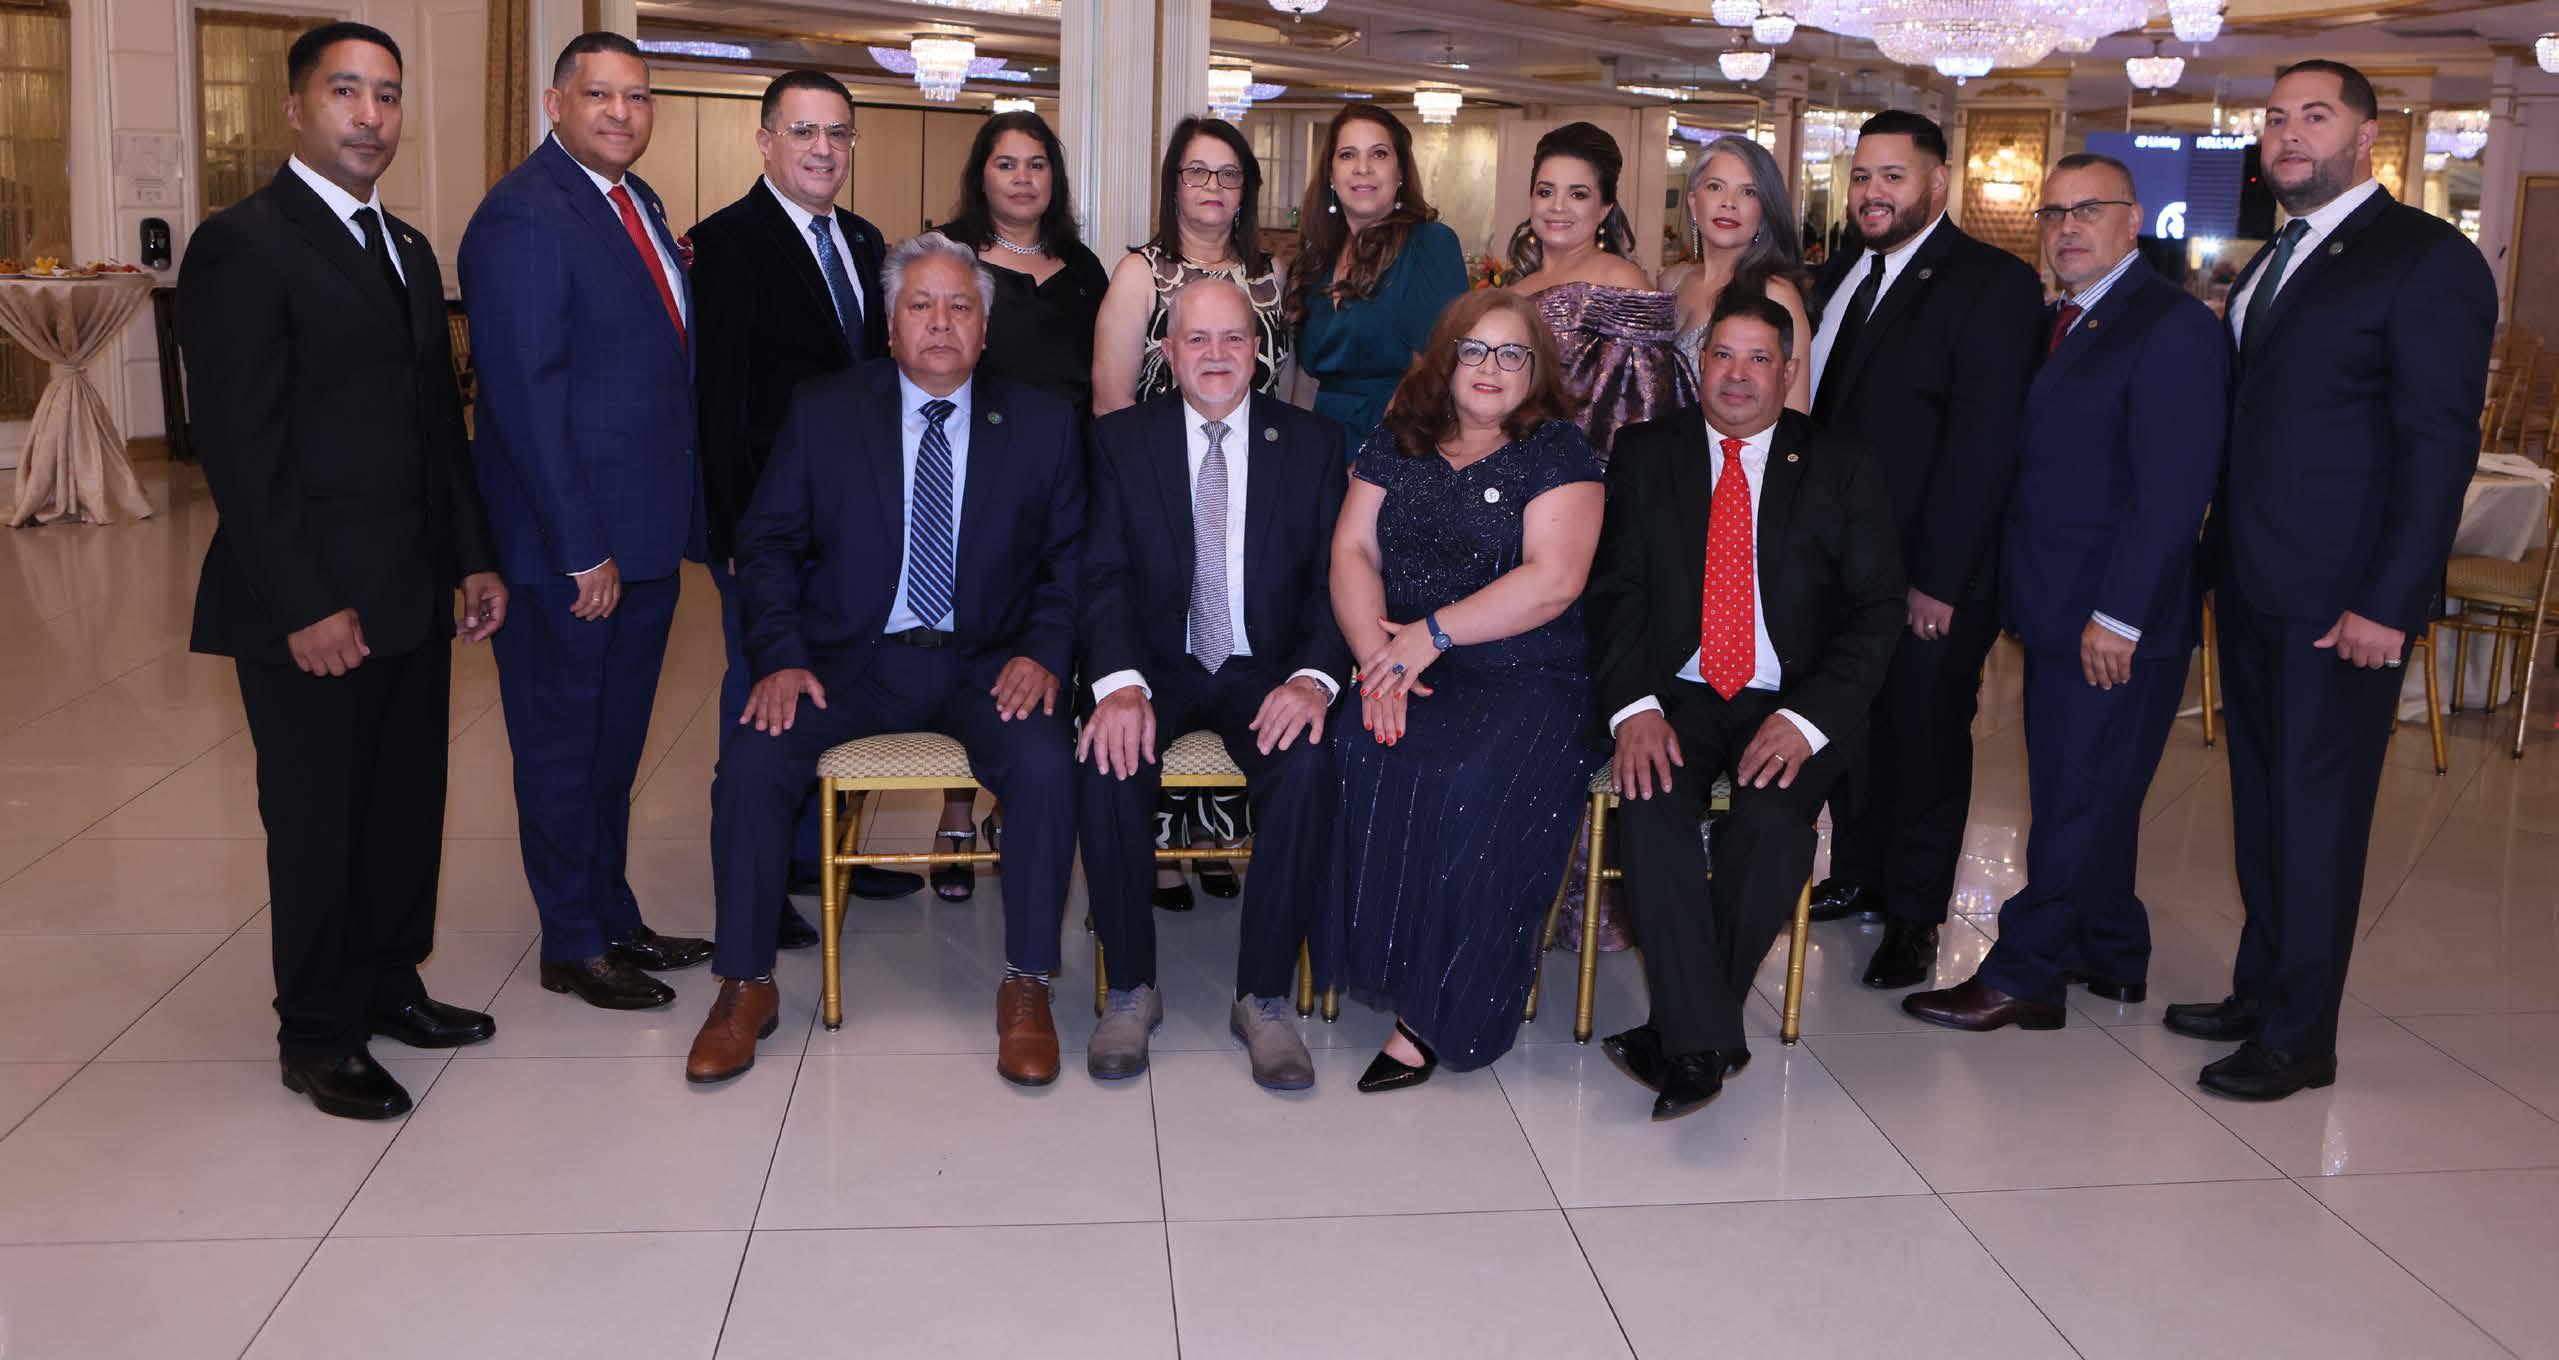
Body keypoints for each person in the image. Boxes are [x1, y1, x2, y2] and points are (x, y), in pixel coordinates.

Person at [180, 21, 507, 1120]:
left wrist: (472, 557)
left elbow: (438, 424)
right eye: (346, 92)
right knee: (319, 819)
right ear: (295, 108)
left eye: (388, 95)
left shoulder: (406, 247)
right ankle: (319, 1033)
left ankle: (388, 983)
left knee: (405, 803)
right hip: (311, 600)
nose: (371, 116)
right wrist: (306, 602)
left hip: (411, 586)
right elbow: (243, 448)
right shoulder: (243, 244)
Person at [685, 232, 1084, 1089]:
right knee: (751, 763)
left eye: (960, 307)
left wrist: (1043, 652)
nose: (940, 323)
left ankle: (1028, 982)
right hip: (848, 662)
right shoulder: (827, 409)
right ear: (891, 325)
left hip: (985, 664)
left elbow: (1069, 560)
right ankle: (745, 983)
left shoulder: (1043, 422)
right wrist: (779, 657)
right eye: (920, 306)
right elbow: (766, 543)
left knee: (1048, 764)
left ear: (985, 328)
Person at [2168, 59, 2496, 1099]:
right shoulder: (2273, 256)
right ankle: (2261, 990)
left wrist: (2388, 602)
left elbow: (2437, 446)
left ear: (2366, 136)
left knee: (2317, 815)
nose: (2288, 134)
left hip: (2342, 598)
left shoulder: (2426, 258)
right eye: (2275, 118)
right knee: (2263, 803)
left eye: (2315, 116)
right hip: (2254, 580)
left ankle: (2302, 1036)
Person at [1902, 154, 2230, 1033]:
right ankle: (2111, 949)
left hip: (2113, 618)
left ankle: (2026, 974)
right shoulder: (2067, 319)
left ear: (2134, 221)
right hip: (2057, 602)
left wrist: (2118, 616)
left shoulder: (2170, 326)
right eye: (2052, 214)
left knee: (2072, 799)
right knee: (2093, 788)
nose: (2066, 228)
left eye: (2088, 210)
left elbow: (2172, 494)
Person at [1592, 290, 1904, 1120]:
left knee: (1768, 826)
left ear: (1788, 371)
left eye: (1757, 358)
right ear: (1698, 363)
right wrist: (1633, 708)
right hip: (1676, 693)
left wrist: (1805, 721)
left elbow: (1874, 610)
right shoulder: (1645, 451)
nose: (1736, 375)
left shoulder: (1841, 462)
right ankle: (1704, 1040)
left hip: (1792, 699)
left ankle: (1681, 1035)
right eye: (1721, 355)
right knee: (1650, 804)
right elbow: (1614, 591)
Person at [461, 32, 715, 1011]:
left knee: (613, 749)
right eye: (600, 94)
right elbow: (525, 399)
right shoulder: (525, 212)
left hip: (641, 538)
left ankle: (613, 915)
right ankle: (570, 941)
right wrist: (580, 550)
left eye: (637, 96)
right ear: (554, 102)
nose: (621, 112)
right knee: (563, 750)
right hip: (572, 551)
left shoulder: (635, 200)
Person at [1324, 288, 1605, 1090]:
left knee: (1466, 782)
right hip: (1403, 659)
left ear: (1535, 370)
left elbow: (1553, 582)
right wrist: (1376, 659)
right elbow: (1351, 551)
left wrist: (1429, 637)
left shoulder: (1558, 452)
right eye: (1473, 349)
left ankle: (1443, 1011)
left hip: (1529, 673)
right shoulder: (1400, 437)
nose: (1490, 367)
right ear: (1445, 361)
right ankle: (1386, 963)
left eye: (1512, 353)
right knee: (1354, 747)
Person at [1077, 277, 1351, 1089]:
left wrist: (1313, 679)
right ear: (1167, 352)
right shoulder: (1120, 441)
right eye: (1196, 339)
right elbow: (1101, 575)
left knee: (1307, 762)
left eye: (1233, 338)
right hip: (1155, 665)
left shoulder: (1312, 443)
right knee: (1105, 758)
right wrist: (1117, 685)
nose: (1216, 355)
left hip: (1266, 668)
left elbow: (1336, 582)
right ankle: (1130, 989)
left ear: (1257, 351)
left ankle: (1262, 997)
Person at [1797, 110, 2044, 992]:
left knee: (1925, 734)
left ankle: (1914, 915)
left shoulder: (1992, 283)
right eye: (1861, 176)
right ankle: (1859, 872)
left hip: (1932, 566)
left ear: (1938, 183)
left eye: (1892, 177)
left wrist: (1939, 579)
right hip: (1839, 561)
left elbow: (1985, 445)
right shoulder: (1836, 275)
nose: (1871, 193)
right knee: (1854, 725)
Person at [688, 68, 923, 928]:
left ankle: (815, 855)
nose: (824, 149)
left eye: (838, 133)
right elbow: (716, 404)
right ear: (765, 142)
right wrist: (734, 533)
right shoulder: (723, 243)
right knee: (764, 695)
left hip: (856, 525)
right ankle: (758, 879)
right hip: (770, 526)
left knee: (837, 683)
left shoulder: (863, 241)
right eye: (804, 132)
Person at [1090, 115, 1293, 913]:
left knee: (1241, 644)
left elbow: (1285, 393)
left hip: (1246, 492)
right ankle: (1162, 855)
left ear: (1246, 189)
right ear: (1173, 184)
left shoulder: (1271, 275)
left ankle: (1213, 839)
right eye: (1196, 172)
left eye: (1228, 173)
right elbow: (1111, 400)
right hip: (1160, 502)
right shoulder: (1140, 272)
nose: (1212, 187)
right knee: (1168, 642)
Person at [1503, 120, 1694, 955]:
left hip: (1586, 518)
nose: (1558, 207)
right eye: (1545, 191)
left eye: (1577, 194)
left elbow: (1641, 420)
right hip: (1511, 511)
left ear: (1607, 206)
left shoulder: (1618, 282)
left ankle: (1575, 896)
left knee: (1570, 703)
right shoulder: (1522, 282)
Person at [927, 110, 1111, 898]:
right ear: (981, 175)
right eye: (1006, 164)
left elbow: (1104, 384)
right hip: (971, 480)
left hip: (1066, 481)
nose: (1023, 178)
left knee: (1044, 643)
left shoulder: (1083, 268)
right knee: (972, 639)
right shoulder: (948, 258)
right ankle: (954, 809)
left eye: (1037, 164)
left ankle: (1010, 802)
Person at [1287, 102, 1470, 444]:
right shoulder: (1316, 261)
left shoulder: (1430, 244)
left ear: (1400, 173)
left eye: (1379, 154)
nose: (1363, 168)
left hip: (1398, 442)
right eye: (1347, 155)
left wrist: (1372, 462)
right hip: (1321, 442)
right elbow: (1305, 383)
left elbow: (1436, 369)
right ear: (1330, 175)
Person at [1661, 134, 1816, 413]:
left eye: (1748, 192)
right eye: (1715, 187)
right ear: (1694, 202)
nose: (1728, 203)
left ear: (1765, 210)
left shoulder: (1775, 294)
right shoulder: (1673, 281)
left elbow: (1795, 415)